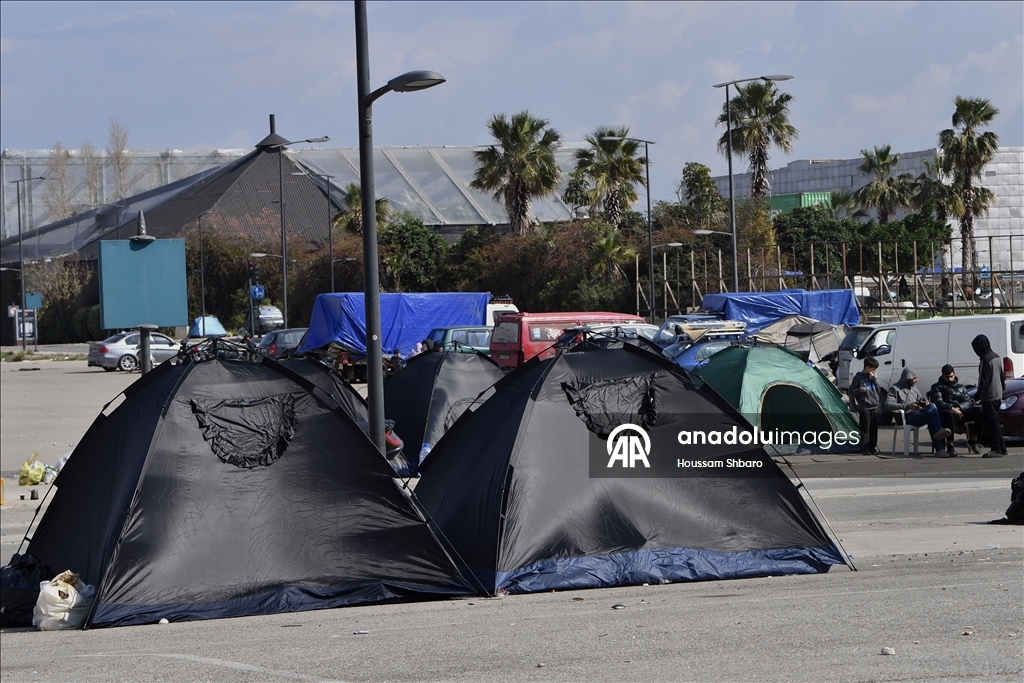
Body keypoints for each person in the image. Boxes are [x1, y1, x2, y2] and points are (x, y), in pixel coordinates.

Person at [884, 366, 953, 457]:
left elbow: (920, 399)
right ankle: (939, 446)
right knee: (931, 414)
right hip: (906, 417)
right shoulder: (895, 388)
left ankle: (940, 446)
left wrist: (924, 402)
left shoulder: (913, 388)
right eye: (914, 378)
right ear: (908, 378)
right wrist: (908, 405)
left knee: (932, 407)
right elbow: (887, 405)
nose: (917, 380)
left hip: (918, 414)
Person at [929, 365, 981, 456]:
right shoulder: (936, 387)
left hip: (960, 412)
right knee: (949, 414)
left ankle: (973, 440)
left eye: (951, 376)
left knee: (980, 411)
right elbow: (938, 402)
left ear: (954, 374)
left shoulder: (961, 387)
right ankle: (950, 445)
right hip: (945, 414)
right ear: (942, 376)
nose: (949, 379)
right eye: (946, 377)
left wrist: (959, 408)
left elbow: (968, 402)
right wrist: (952, 408)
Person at [972, 334, 1007, 458]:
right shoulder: (996, 357)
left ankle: (995, 449)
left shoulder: (985, 359)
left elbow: (983, 380)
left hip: (989, 396)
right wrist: (1002, 389)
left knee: (991, 425)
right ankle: (1002, 448)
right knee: (995, 423)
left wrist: (977, 396)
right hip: (998, 395)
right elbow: (1002, 376)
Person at [849, 357, 881, 455]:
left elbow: (878, 390)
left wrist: (875, 380)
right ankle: (865, 448)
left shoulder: (872, 377)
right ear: (867, 367)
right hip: (865, 406)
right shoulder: (858, 377)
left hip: (875, 405)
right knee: (865, 429)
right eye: (873, 369)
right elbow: (851, 391)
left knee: (874, 428)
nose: (874, 371)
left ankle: (873, 447)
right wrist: (859, 390)